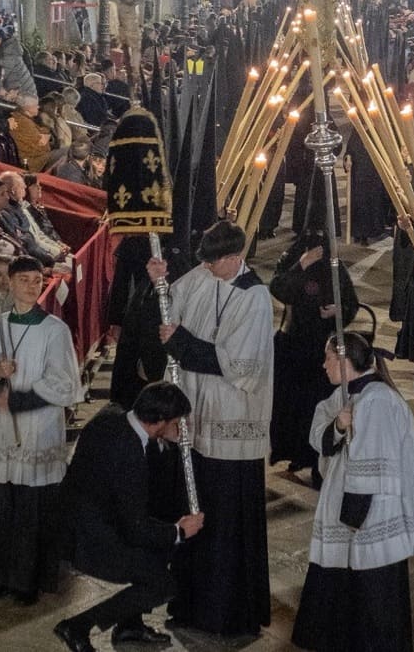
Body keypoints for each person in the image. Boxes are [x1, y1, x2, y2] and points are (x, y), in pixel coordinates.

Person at [148, 220, 273, 636]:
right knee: (195, 512)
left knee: (225, 523)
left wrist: (181, 344)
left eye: (216, 263)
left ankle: (227, 610)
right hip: (197, 418)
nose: (208, 269)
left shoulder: (255, 297)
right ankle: (191, 601)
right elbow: (171, 305)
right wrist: (159, 281)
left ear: (235, 258)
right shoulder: (204, 273)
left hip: (231, 420)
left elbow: (243, 366)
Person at [291, 332, 414, 651]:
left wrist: (353, 518)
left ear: (344, 360)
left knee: (374, 589)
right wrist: (338, 425)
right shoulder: (347, 394)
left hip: (373, 512)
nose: (324, 365)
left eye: (328, 358)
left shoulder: (377, 400)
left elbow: (373, 465)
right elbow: (318, 438)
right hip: (349, 509)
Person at [53, 382, 205, 652]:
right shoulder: (130, 453)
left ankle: (130, 626)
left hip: (78, 525)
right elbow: (135, 528)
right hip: (90, 543)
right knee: (164, 584)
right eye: (177, 422)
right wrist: (179, 531)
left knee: (159, 549)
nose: (181, 428)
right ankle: (78, 626)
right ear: (159, 421)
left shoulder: (111, 418)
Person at [0, 255, 81, 606]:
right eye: (24, 280)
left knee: (32, 507)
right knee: (0, 505)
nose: (31, 286)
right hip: (0, 428)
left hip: (38, 426)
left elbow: (65, 384)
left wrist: (19, 400)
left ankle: (28, 580)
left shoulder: (54, 330)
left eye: (36, 280)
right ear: (10, 283)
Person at [268, 231, 359, 482]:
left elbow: (351, 302)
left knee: (319, 406)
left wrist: (338, 310)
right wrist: (301, 265)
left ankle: (318, 457)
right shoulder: (293, 260)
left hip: (322, 350)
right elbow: (279, 288)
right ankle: (296, 452)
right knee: (292, 406)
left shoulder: (335, 266)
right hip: (293, 346)